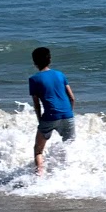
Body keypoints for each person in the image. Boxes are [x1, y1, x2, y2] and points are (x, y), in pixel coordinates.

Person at [28, 46, 76, 175]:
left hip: (49, 116)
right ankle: (68, 174)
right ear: (50, 59)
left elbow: (36, 104)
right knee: (69, 147)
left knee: (38, 150)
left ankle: (40, 176)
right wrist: (69, 114)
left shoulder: (34, 79)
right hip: (67, 115)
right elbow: (72, 98)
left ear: (34, 62)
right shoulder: (60, 75)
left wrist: (40, 121)